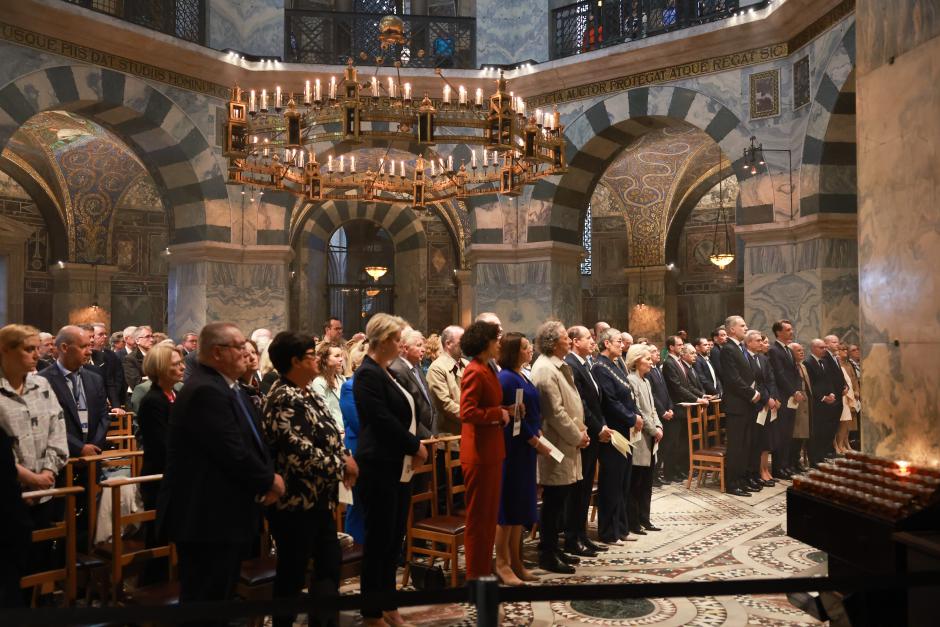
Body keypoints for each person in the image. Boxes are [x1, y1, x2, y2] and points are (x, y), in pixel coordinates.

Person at [158, 322, 284, 616]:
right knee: (206, 602)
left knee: (221, 598)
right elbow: (231, 450)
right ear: (217, 352)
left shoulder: (229, 387)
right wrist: (268, 480)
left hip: (224, 513)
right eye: (239, 347)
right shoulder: (205, 390)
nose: (247, 354)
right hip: (205, 515)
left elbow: (254, 439)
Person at [262, 331, 358, 627]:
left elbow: (327, 430)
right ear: (294, 361)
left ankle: (324, 621)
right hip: (294, 503)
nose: (316, 359)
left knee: (329, 563)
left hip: (318, 499)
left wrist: (344, 454)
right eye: (310, 355)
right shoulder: (282, 397)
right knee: (292, 573)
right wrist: (340, 465)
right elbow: (299, 451)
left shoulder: (307, 390)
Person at [353, 314, 427, 627]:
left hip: (397, 467)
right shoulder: (367, 374)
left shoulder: (385, 372)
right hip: (379, 466)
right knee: (379, 541)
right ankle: (372, 612)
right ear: (382, 340)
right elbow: (381, 420)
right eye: (397, 339)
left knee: (393, 539)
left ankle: (389, 605)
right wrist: (415, 445)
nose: (400, 345)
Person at [0, 324, 68, 594]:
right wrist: (28, 477)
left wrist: (49, 470)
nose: (36, 355)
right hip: (9, 495)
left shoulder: (41, 383)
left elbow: (57, 427)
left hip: (43, 492)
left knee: (40, 562)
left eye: (37, 349)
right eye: (28, 349)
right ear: (5, 350)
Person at [530, 320, 588, 573]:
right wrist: (577, 436)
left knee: (560, 499)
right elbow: (554, 412)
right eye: (565, 337)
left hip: (567, 442)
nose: (569, 340)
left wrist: (579, 432)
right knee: (553, 501)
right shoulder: (544, 369)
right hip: (556, 444)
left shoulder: (557, 366)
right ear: (553, 342)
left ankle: (555, 548)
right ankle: (547, 553)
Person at [495, 333, 547, 585]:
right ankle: (502, 563)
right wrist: (534, 439)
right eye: (525, 347)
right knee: (508, 507)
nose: (530, 351)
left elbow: (530, 411)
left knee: (520, 508)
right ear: (513, 351)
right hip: (513, 449)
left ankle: (517, 560)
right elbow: (514, 418)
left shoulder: (522, 374)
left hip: (525, 449)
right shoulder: (505, 377)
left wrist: (537, 433)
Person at [459, 320, 509, 582]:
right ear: (485, 342)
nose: (499, 343)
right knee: (479, 520)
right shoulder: (474, 371)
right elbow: (467, 412)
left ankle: (483, 569)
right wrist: (496, 414)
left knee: (489, 518)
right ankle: (474, 576)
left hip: (492, 451)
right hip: (479, 454)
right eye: (495, 338)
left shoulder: (488, 368)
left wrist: (507, 412)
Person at [563, 326, 610, 558]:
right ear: (574, 341)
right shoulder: (571, 364)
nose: (593, 342)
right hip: (585, 434)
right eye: (588, 338)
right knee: (578, 490)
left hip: (593, 432)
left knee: (585, 488)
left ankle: (582, 535)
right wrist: (597, 427)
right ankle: (573, 538)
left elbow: (596, 398)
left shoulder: (585, 363)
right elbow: (580, 402)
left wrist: (602, 424)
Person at [592, 327, 640, 544]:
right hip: (612, 431)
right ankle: (608, 531)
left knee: (623, 481)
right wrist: (632, 418)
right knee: (611, 481)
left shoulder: (615, 364)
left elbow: (628, 394)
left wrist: (635, 414)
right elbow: (610, 402)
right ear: (606, 344)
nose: (622, 345)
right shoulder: (600, 367)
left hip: (625, 430)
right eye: (618, 341)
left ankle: (621, 527)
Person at [39, 325, 112, 459]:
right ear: (64, 348)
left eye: (90, 346)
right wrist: (79, 448)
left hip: (93, 457)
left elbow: (104, 416)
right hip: (60, 460)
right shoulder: (42, 380)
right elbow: (45, 423)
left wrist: (93, 447)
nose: (89, 352)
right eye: (83, 347)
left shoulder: (95, 378)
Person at [137, 343, 185, 510]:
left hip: (177, 472)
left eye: (181, 362)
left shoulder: (176, 394)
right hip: (161, 476)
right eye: (176, 364)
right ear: (161, 368)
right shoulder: (152, 401)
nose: (182, 367)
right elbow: (161, 444)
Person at [719, 316, 761, 496]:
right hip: (737, 406)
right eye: (742, 326)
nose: (746, 328)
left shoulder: (739, 348)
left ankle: (742, 479)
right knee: (736, 446)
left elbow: (747, 374)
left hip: (746, 405)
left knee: (746, 445)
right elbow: (733, 379)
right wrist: (752, 393)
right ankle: (732, 483)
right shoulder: (728, 349)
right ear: (732, 330)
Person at [626, 345, 663, 533]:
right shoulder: (631, 380)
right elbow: (638, 409)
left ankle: (645, 518)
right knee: (637, 482)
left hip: (650, 436)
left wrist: (658, 426)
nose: (651, 362)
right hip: (640, 437)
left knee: (647, 481)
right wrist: (652, 429)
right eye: (647, 359)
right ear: (636, 360)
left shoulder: (646, 381)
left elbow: (653, 408)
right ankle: (634, 521)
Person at [339, 339, 368, 544]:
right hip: (357, 451)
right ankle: (354, 549)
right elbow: (359, 423)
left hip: (374, 449)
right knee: (356, 505)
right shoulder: (349, 387)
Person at [768, 320, 802, 479]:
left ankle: (786, 465)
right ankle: (778, 468)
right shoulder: (774, 350)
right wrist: (792, 391)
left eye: (791, 329)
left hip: (791, 397)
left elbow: (794, 373)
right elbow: (780, 375)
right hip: (782, 396)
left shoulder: (788, 349)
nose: (791, 332)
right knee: (780, 434)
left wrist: (798, 390)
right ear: (778, 332)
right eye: (788, 330)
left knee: (788, 433)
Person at [389, 329, 435, 439]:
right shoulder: (397, 370)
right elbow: (406, 411)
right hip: (413, 436)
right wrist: (427, 435)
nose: (423, 350)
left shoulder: (417, 367)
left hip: (429, 434)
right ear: (405, 348)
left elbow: (429, 402)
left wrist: (434, 432)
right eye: (419, 345)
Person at [804, 338, 839, 466]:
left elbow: (828, 380)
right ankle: (814, 459)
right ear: (813, 348)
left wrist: (832, 393)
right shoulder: (808, 362)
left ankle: (821, 455)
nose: (824, 350)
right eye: (821, 348)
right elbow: (811, 385)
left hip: (827, 402)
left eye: (825, 347)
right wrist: (823, 397)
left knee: (824, 431)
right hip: (817, 403)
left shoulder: (823, 362)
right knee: (816, 432)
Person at [426, 325, 467, 436]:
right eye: (462, 341)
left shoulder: (467, 364)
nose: (465, 344)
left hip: (468, 433)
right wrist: (472, 416)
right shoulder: (437, 368)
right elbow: (445, 404)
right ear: (448, 344)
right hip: (450, 440)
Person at [311, 342, 347, 436]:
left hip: (347, 429)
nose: (341, 359)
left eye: (341, 356)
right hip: (334, 432)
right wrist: (340, 431)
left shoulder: (342, 379)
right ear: (325, 359)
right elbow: (324, 412)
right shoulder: (319, 382)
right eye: (337, 356)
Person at [789, 343, 812, 470]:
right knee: (795, 434)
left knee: (802, 434)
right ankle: (793, 462)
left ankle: (798, 461)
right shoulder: (791, 367)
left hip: (805, 401)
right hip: (795, 400)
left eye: (802, 350)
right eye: (798, 351)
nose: (802, 352)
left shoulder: (802, 366)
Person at [836, 344, 859, 454]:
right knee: (843, 421)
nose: (845, 351)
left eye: (846, 349)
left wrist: (857, 391)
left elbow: (854, 379)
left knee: (849, 421)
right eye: (842, 349)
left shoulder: (849, 364)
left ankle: (846, 442)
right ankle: (840, 443)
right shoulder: (838, 364)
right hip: (843, 395)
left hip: (851, 394)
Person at [122, 325, 154, 391]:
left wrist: (146, 378)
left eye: (152, 336)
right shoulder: (130, 359)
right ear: (137, 341)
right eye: (147, 337)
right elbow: (136, 384)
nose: (152, 340)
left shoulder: (157, 355)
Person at [239, 339, 263, 411]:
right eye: (245, 355)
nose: (253, 358)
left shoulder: (256, 384)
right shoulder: (237, 389)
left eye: (253, 352)